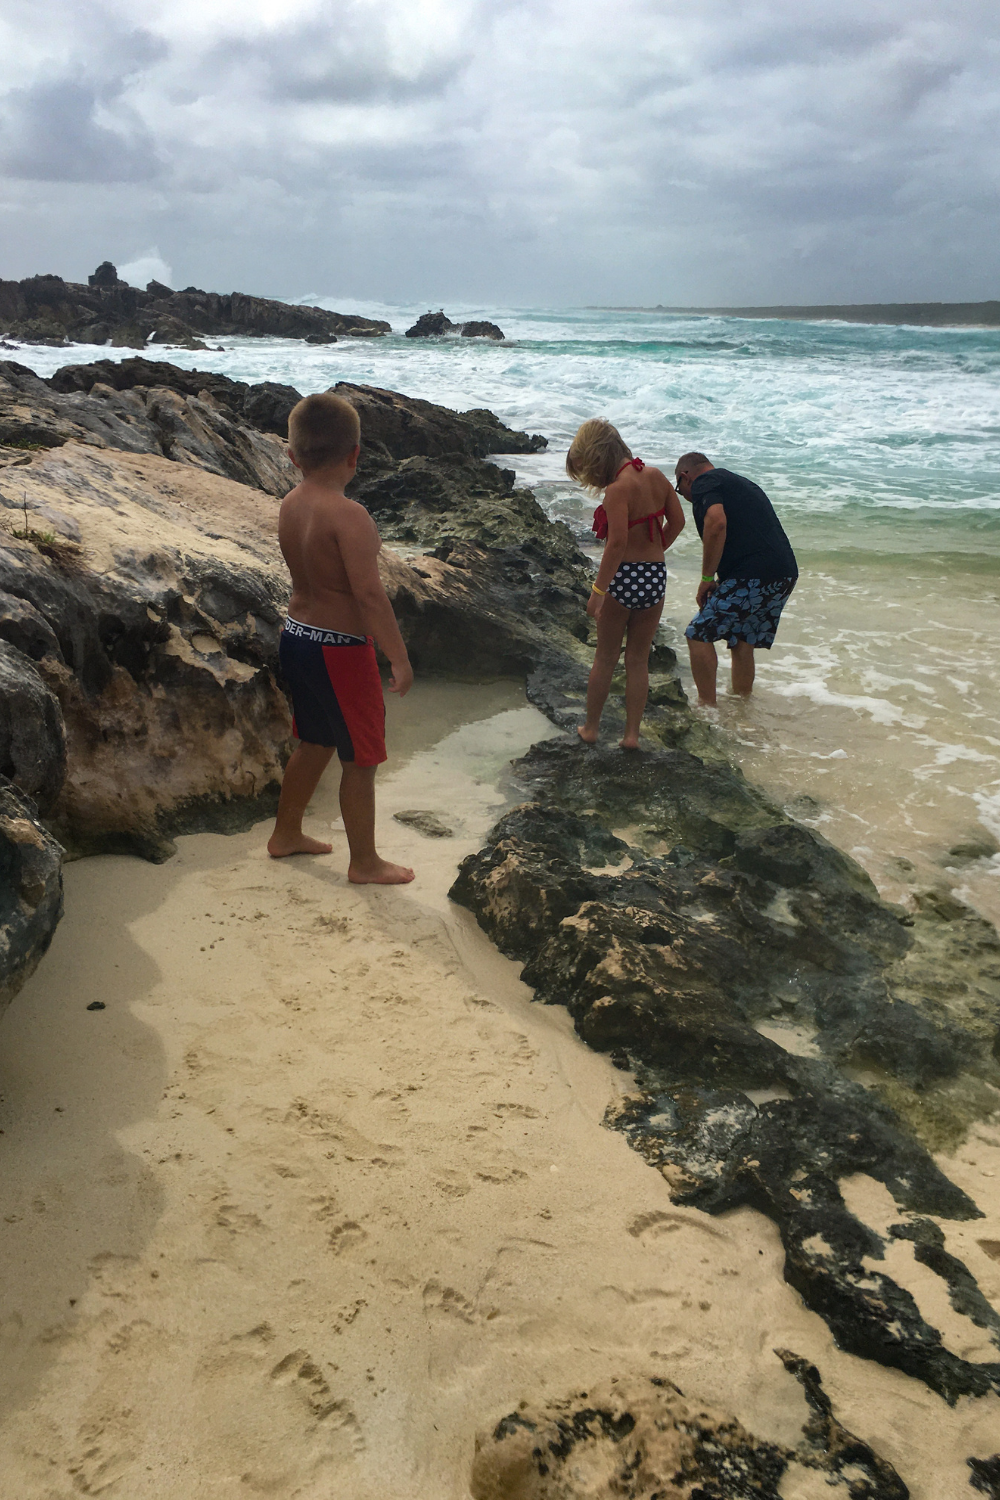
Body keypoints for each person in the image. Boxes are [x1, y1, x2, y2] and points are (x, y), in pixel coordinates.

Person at [267, 392, 415, 884]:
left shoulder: (290, 503)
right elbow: (370, 596)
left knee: (314, 740)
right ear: (355, 454)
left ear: (292, 457)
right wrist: (398, 656)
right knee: (362, 758)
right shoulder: (349, 516)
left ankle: (285, 834)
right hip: (340, 653)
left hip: (297, 637)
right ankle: (365, 862)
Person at [566, 419, 684, 748]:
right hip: (655, 577)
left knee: (605, 658)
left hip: (624, 577)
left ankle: (591, 728)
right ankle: (631, 735)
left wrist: (598, 592)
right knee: (638, 659)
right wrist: (657, 550)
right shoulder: (656, 477)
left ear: (598, 458)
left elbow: (616, 545)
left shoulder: (617, 490)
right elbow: (678, 521)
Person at [673, 452, 797, 707]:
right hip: (783, 573)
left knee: (698, 634)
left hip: (755, 573)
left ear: (685, 476)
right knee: (743, 640)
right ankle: (742, 709)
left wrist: (707, 577)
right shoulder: (739, 483)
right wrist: (727, 578)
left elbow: (716, 522)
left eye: (680, 489)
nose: (686, 496)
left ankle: (708, 709)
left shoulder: (705, 482)